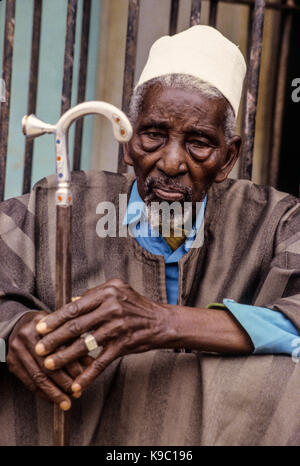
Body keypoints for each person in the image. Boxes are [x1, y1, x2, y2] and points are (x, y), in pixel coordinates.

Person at [1, 25, 300, 446]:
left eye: (198, 142)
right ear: (127, 139)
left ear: (228, 157)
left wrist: (163, 322)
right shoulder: (57, 203)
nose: (172, 161)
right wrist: (15, 325)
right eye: (154, 135)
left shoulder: (275, 221)